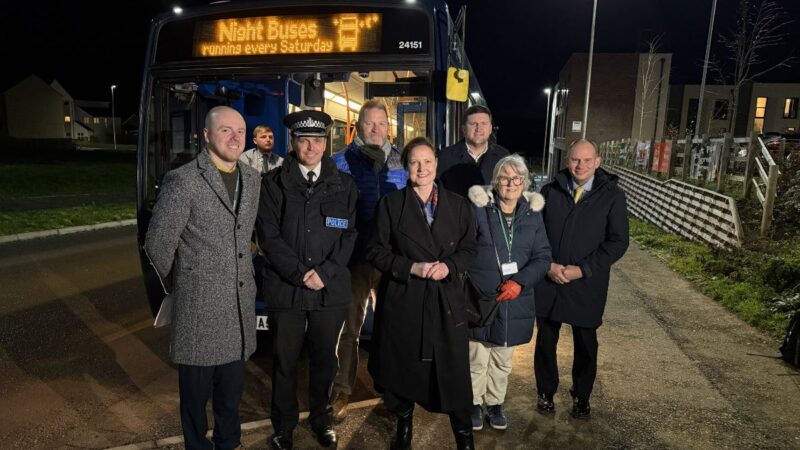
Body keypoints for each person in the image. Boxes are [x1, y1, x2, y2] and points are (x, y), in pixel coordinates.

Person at [144, 106, 259, 450]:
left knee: (230, 397)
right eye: (226, 130)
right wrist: (183, 289)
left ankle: (229, 443)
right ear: (207, 135)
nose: (235, 137)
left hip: (239, 312)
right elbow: (157, 246)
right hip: (200, 315)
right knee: (195, 403)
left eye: (240, 130)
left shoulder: (252, 180)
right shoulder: (184, 180)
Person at [256, 110, 358, 450]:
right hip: (288, 289)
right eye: (303, 140)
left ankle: (321, 420)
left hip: (329, 290)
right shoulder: (272, 184)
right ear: (293, 143)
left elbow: (349, 235)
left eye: (317, 140)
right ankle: (283, 426)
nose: (311, 147)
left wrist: (324, 273)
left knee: (324, 361)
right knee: (284, 362)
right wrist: (300, 274)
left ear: (326, 143)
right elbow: (268, 237)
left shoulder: (343, 184)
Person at [367, 137, 477, 450]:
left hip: (446, 301)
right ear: (406, 167)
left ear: (436, 165)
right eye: (415, 162)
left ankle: (464, 437)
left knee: (454, 373)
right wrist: (409, 267)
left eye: (427, 161)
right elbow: (374, 250)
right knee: (403, 370)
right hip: (405, 299)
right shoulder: (390, 205)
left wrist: (450, 267)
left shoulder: (457, 205)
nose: (422, 168)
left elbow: (470, 247)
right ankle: (404, 427)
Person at [533, 139, 629, 419]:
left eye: (587, 160)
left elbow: (618, 242)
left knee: (586, 343)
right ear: (567, 161)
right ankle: (545, 392)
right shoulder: (549, 192)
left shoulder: (612, 196)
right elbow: (536, 234)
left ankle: (582, 396)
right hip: (550, 280)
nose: (581, 165)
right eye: (575, 159)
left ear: (598, 162)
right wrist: (548, 264)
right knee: (545, 341)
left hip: (587, 283)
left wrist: (582, 270)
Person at [330, 100, 408, 420]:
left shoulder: (401, 161)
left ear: (389, 127)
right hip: (355, 258)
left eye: (381, 124)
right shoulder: (339, 162)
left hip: (390, 258)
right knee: (349, 328)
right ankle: (342, 390)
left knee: (391, 327)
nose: (376, 129)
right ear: (358, 126)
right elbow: (330, 213)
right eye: (369, 123)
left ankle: (388, 386)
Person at [465, 154, 551, 431]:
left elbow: (543, 257)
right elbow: (465, 249)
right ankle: (474, 403)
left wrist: (520, 282)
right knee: (477, 355)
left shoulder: (533, 215)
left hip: (516, 298)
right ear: (495, 181)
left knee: (502, 357)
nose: (510, 183)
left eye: (516, 178)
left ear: (525, 182)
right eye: (504, 177)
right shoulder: (479, 209)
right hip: (483, 296)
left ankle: (495, 403)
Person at [437, 105, 510, 197]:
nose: (478, 128)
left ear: (490, 128)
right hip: (456, 211)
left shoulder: (504, 157)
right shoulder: (444, 157)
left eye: (483, 123)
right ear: (463, 129)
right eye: (473, 124)